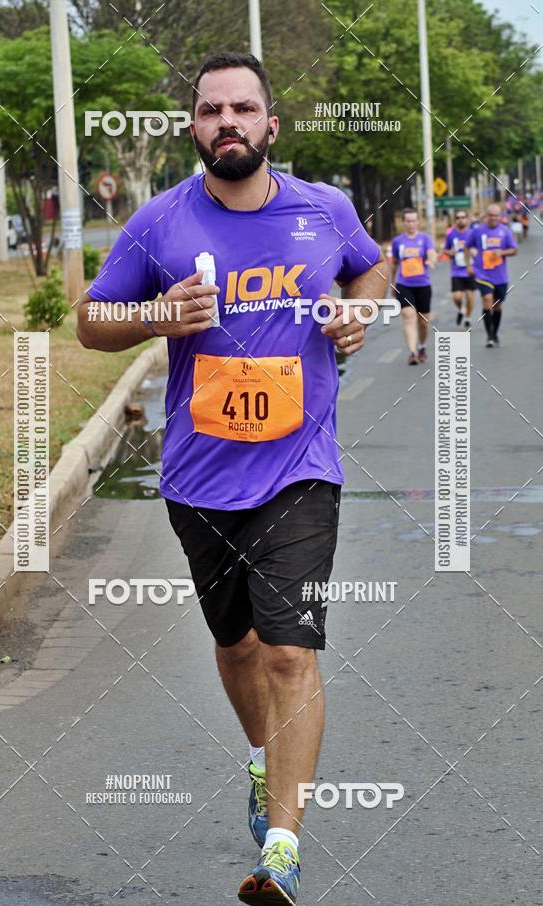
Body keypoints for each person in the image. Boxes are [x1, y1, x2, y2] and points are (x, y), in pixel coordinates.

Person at [77, 51, 387, 905]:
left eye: (243, 109)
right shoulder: (160, 223)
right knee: (239, 645)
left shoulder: (322, 210)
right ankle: (262, 763)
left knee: (289, 650)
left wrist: (357, 310)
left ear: (270, 125)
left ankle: (282, 848)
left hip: (300, 466)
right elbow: (88, 321)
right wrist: (154, 316)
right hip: (200, 477)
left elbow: (372, 264)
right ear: (194, 128)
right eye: (212, 110)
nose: (228, 123)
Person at [466, 203, 517, 348]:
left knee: (498, 305)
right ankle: (489, 335)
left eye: (496, 215)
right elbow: (467, 246)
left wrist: (502, 252)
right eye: (491, 215)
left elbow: (514, 250)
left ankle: (495, 333)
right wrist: (469, 265)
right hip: (483, 273)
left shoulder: (505, 232)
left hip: (500, 275)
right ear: (486, 216)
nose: (493, 218)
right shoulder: (478, 231)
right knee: (487, 299)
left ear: (500, 216)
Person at [390, 208, 436, 364]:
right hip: (404, 284)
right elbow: (395, 263)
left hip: (423, 285)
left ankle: (422, 346)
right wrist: (392, 282)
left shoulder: (425, 239)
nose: (410, 223)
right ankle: (412, 352)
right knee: (408, 316)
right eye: (407, 221)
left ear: (418, 222)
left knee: (423, 322)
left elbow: (431, 253)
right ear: (403, 222)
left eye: (413, 220)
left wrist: (431, 260)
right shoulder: (398, 241)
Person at [440, 209, 474, 330]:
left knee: (470, 296)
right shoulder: (451, 235)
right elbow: (444, 250)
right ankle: (461, 309)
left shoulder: (472, 233)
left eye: (463, 217)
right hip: (456, 270)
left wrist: (475, 252)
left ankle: (468, 318)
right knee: (457, 297)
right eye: (458, 218)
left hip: (470, 269)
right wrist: (450, 252)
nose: (461, 219)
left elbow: (480, 249)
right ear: (455, 220)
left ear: (467, 219)